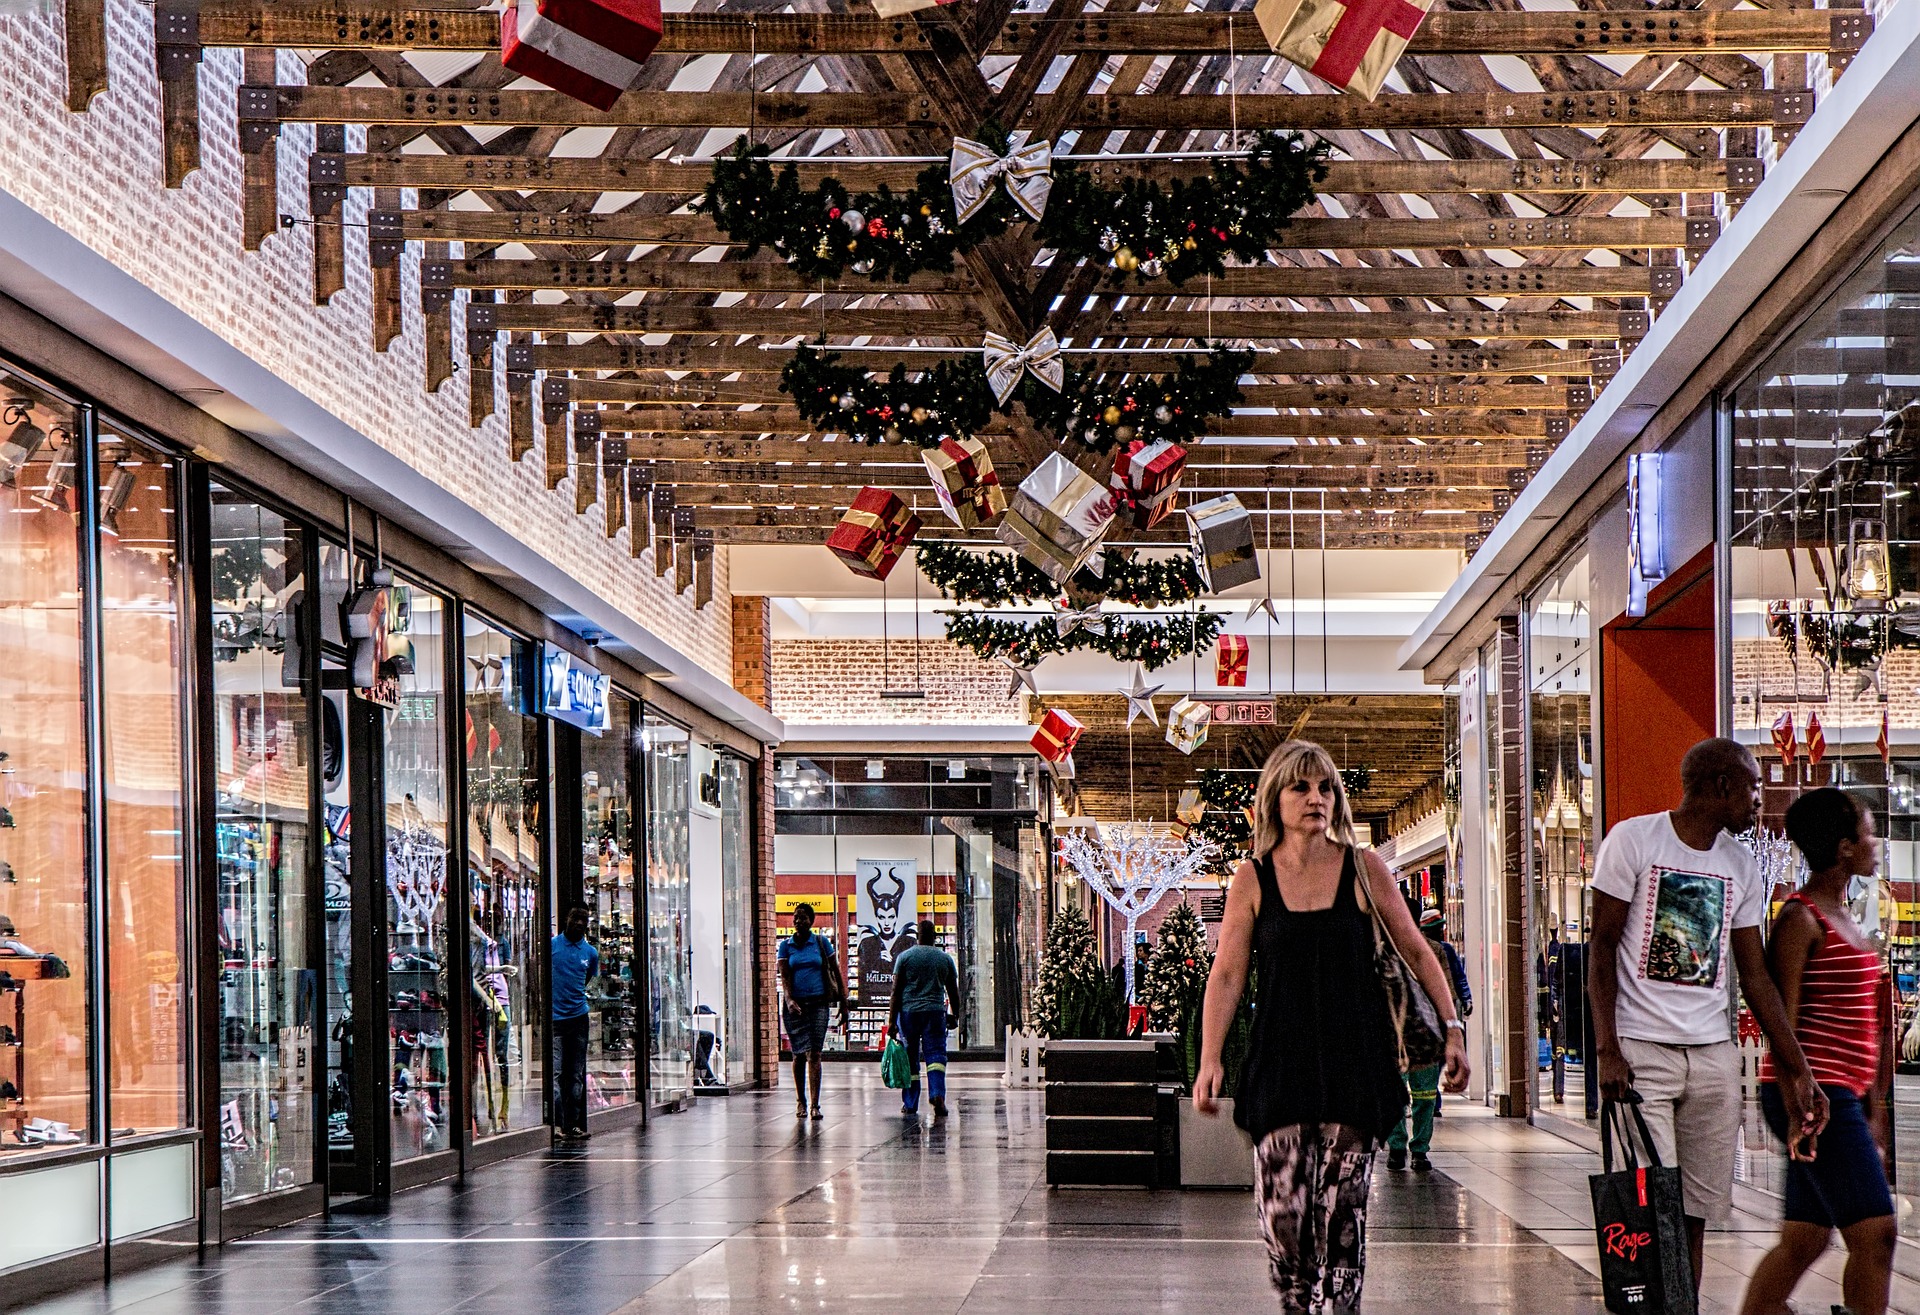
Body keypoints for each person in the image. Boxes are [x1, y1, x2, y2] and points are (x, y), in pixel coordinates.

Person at [1194, 740, 1470, 1313]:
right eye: (1301, 787)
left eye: (1325, 788)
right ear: (1275, 799)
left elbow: (1418, 953)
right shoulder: (1253, 878)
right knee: (1286, 1225)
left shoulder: (1363, 869)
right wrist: (1210, 1058)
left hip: (1353, 1067)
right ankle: (1297, 1300)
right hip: (1280, 1070)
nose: (1316, 799)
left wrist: (1452, 1028)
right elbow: (1226, 976)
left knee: (1343, 1226)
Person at [1589, 737, 1828, 1301]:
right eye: (1751, 786)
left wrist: (1798, 1069)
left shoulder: (1739, 864)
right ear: (1721, 785)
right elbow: (1601, 949)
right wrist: (1607, 1050)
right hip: (1641, 1052)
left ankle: (1683, 1306)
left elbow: (1756, 975)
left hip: (1713, 1057)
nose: (1757, 798)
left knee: (1695, 1212)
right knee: (1652, 1208)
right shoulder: (1634, 841)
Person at [1740, 789, 1896, 1315]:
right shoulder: (1801, 919)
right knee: (1877, 1233)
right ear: (1845, 846)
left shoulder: (1847, 916)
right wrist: (1796, 1104)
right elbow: (1779, 1021)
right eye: (1870, 832)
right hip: (1815, 1095)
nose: (1876, 842)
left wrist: (1875, 1106)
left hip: (1842, 1095)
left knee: (1805, 1239)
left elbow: (1865, 1026)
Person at [1388, 909, 1472, 1170]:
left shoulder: (1426, 950)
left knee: (1401, 1093)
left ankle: (1400, 1148)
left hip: (1402, 1032)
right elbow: (1450, 988)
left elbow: (1449, 987)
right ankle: (1416, 1150)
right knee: (1422, 1095)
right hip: (1422, 1032)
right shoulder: (1431, 950)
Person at [886, 919, 962, 1121]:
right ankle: (937, 1094)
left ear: (917, 936)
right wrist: (956, 1015)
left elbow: (896, 992)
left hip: (909, 1013)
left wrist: (892, 1021)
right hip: (935, 1012)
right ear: (935, 936)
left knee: (910, 1059)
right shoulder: (944, 959)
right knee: (936, 1056)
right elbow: (953, 991)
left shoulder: (905, 957)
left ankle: (910, 1103)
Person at [778, 903, 844, 1120]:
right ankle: (801, 1101)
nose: (798, 921)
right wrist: (788, 999)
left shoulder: (821, 943)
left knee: (815, 1053)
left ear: (811, 920)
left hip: (818, 1004)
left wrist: (844, 1001)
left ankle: (815, 1104)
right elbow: (785, 977)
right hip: (795, 1007)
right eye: (795, 917)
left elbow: (835, 971)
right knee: (798, 1054)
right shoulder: (786, 946)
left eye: (803, 917)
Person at [550, 906, 599, 1143]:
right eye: (575, 918)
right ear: (566, 920)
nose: (579, 923)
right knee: (557, 1072)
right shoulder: (552, 946)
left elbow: (588, 978)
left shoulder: (590, 953)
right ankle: (557, 1125)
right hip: (556, 1020)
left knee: (576, 1074)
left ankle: (573, 1125)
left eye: (583, 920)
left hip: (579, 1019)